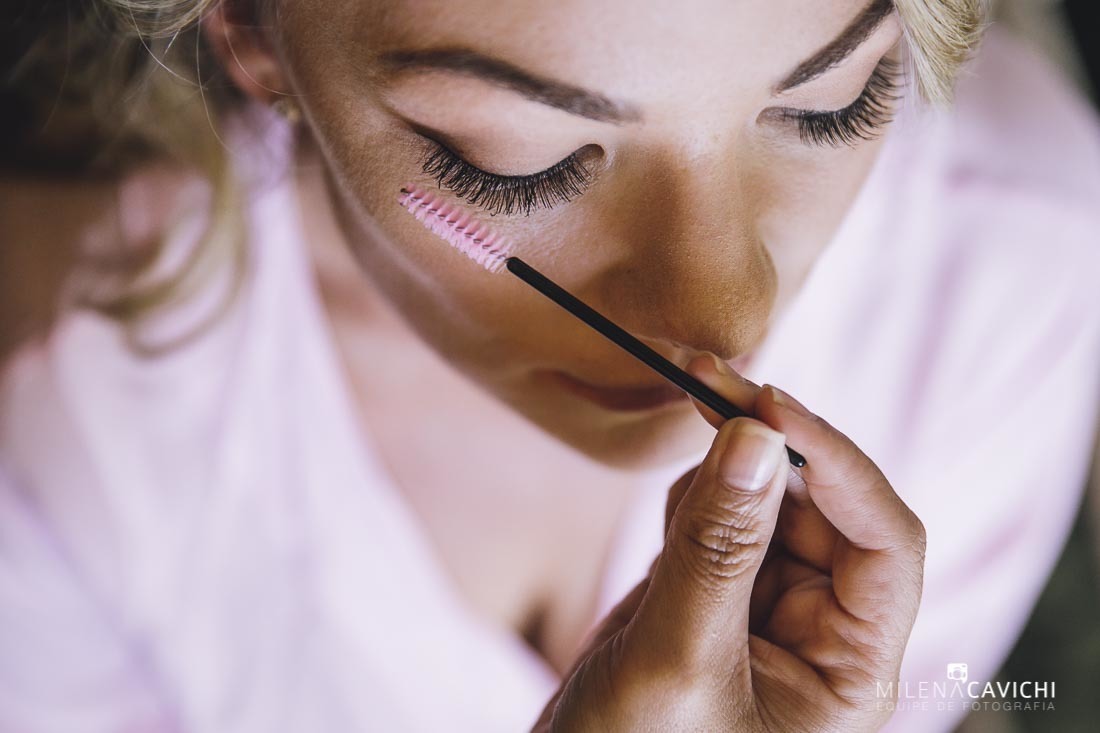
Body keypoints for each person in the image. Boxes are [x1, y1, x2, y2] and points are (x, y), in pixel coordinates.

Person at [2, 0, 1098, 730]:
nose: (724, 312)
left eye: (831, 104)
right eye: (518, 164)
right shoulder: (54, 418)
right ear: (253, 30)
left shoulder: (1015, 272)